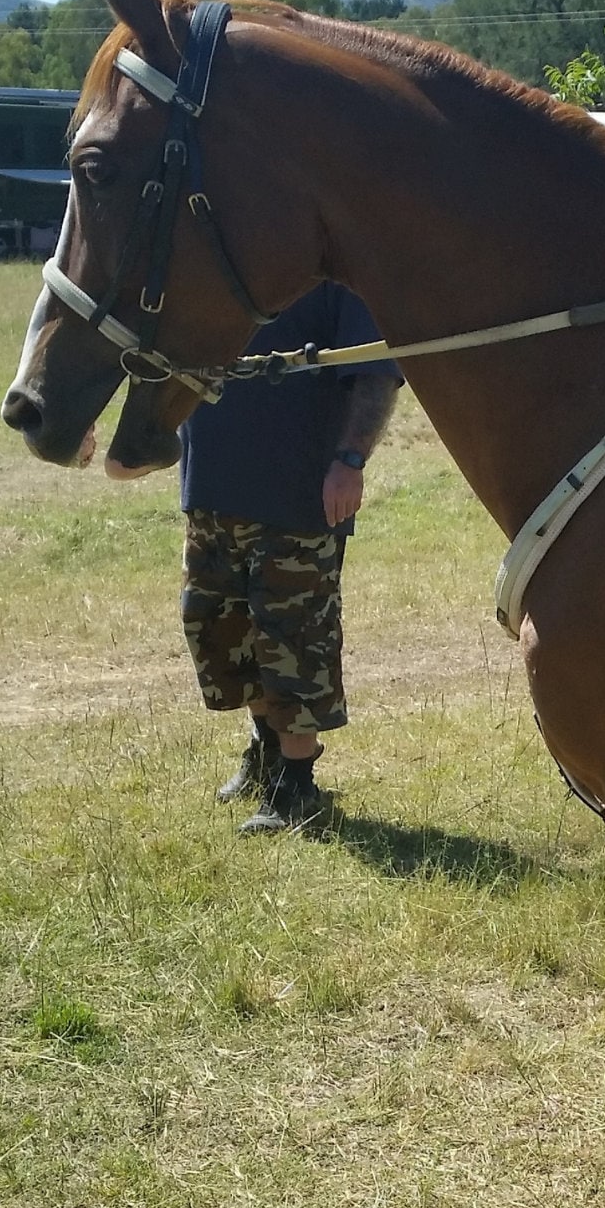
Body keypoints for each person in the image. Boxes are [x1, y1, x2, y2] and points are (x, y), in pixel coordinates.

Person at [177, 283, 402, 833]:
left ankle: (298, 788)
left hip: (297, 497)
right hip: (211, 488)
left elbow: (376, 370)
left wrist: (350, 460)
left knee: (294, 637)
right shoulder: (211, 261)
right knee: (222, 631)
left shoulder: (333, 280)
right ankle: (267, 754)